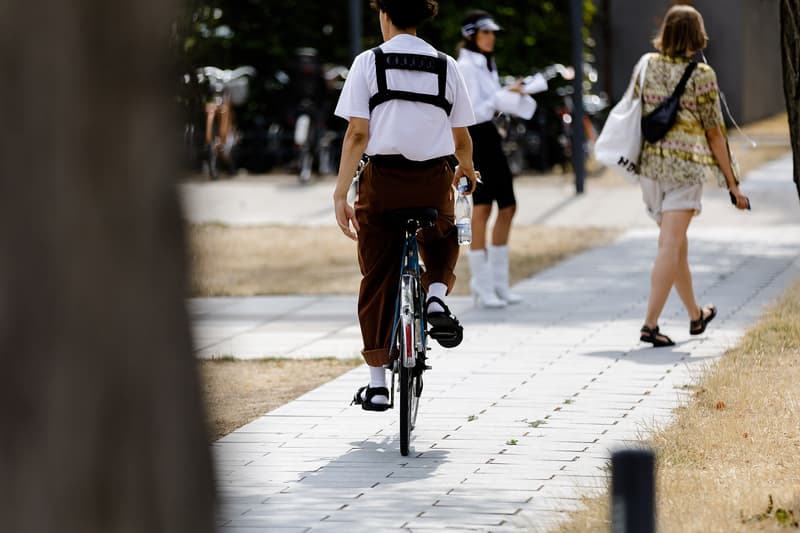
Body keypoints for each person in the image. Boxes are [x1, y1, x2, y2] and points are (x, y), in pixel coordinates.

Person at [332, 0, 478, 410]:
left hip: (384, 183)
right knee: (444, 231)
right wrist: (465, 169)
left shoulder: (367, 63)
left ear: (384, 15)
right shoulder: (447, 66)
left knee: (377, 272)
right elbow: (462, 139)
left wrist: (340, 192)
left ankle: (378, 383)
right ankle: (434, 295)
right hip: (433, 180)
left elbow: (357, 134)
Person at [634, 5, 749, 347]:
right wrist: (732, 183)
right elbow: (715, 133)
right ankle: (650, 324)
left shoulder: (647, 65)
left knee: (675, 246)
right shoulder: (702, 76)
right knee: (671, 245)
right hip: (685, 171)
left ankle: (695, 316)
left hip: (651, 169)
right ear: (697, 34)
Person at [456, 10, 536, 308]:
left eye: (492, 33)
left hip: (490, 135)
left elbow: (490, 104)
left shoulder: (486, 64)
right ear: (471, 34)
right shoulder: (466, 65)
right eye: (485, 33)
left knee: (508, 205)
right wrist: (504, 95)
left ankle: (499, 283)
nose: (491, 38)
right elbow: (470, 111)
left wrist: (509, 96)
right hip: (475, 137)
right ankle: (482, 284)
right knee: (481, 208)